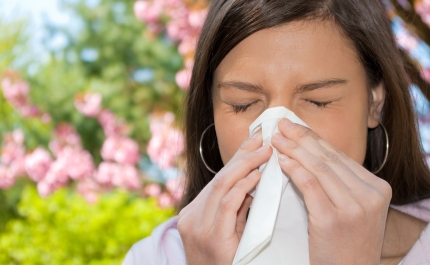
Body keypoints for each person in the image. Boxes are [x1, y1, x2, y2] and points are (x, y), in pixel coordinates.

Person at [123, 0, 430, 264]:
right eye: (243, 104)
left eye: (318, 101)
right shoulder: (157, 257)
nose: (279, 133)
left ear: (374, 103)